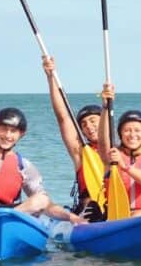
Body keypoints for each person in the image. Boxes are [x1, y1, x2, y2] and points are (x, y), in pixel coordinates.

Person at [0, 105, 83, 225]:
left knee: (42, 199)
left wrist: (71, 217)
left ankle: (4, 221)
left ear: (21, 134)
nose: (8, 135)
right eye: (3, 129)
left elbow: (47, 205)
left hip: (5, 215)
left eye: (13, 131)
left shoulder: (24, 166)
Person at [42, 55, 104, 222]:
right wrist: (51, 77)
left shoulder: (119, 151)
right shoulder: (81, 152)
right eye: (83, 124)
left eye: (93, 121)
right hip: (89, 210)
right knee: (93, 206)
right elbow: (63, 117)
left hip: (116, 206)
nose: (88, 126)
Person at [98, 84, 141, 217]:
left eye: (137, 130)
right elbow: (102, 140)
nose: (132, 134)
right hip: (117, 214)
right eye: (127, 130)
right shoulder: (113, 155)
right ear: (120, 134)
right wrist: (105, 107)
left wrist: (124, 166)